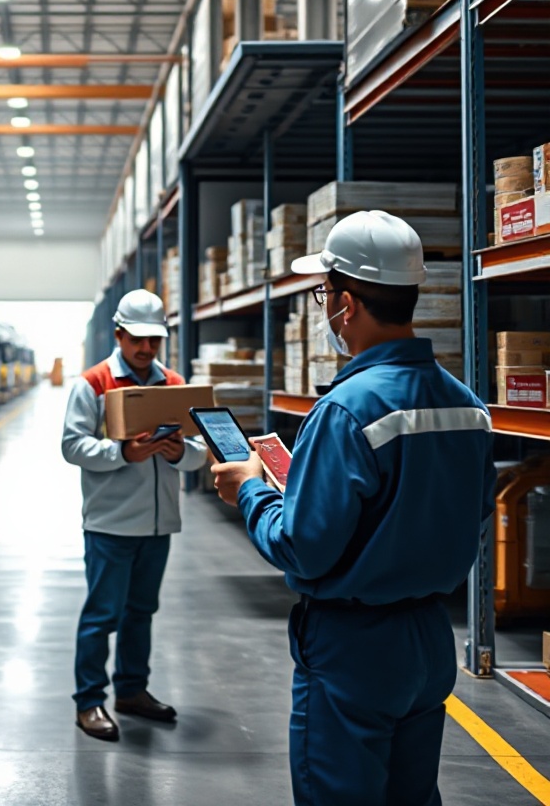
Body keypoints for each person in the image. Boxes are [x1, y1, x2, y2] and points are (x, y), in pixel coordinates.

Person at [210, 211, 496, 806]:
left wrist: (251, 490)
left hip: (354, 646)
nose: (324, 308)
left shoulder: (345, 410)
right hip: (429, 638)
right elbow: (467, 512)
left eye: (323, 294)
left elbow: (303, 548)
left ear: (346, 303)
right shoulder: (467, 406)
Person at [62, 289, 207, 741]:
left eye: (154, 340)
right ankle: (89, 701)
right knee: (102, 615)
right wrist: (123, 452)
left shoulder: (176, 384)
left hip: (158, 524)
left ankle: (131, 691)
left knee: (141, 611)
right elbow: (72, 446)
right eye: (137, 339)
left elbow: (200, 451)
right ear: (118, 335)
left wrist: (179, 451)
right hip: (110, 524)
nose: (146, 348)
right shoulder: (94, 383)